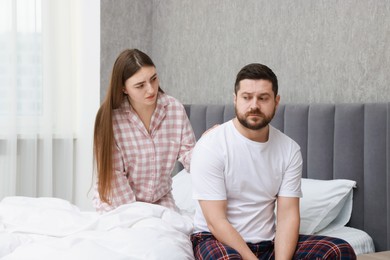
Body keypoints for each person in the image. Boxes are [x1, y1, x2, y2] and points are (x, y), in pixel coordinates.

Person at [190, 63, 356, 259]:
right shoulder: (211, 145)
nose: (254, 105)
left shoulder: (289, 149)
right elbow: (216, 221)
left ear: (276, 102)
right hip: (216, 239)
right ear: (235, 100)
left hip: (268, 244)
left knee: (339, 250)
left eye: (263, 98)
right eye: (246, 97)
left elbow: (287, 217)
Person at [92, 49, 196, 213]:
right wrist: (139, 216)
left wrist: (209, 144)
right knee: (139, 236)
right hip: (118, 203)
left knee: (174, 234)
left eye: (153, 79)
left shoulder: (174, 109)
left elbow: (191, 158)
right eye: (140, 85)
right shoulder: (111, 120)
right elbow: (115, 177)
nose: (151, 89)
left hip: (161, 200)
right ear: (124, 88)